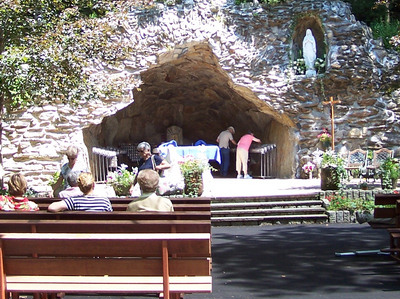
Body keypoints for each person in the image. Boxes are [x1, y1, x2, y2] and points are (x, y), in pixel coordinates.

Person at [48, 172, 112, 212]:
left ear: (79, 187)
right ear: (93, 185)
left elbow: (52, 207)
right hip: (100, 232)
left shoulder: (73, 201)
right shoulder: (104, 201)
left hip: (80, 233)